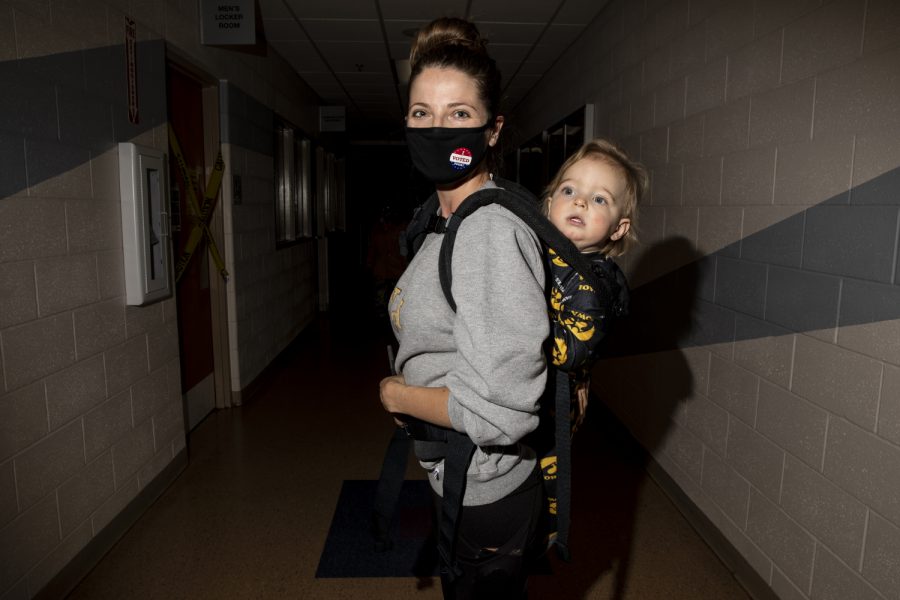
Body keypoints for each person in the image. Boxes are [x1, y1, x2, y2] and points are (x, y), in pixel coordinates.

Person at [379, 17, 547, 599]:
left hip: (487, 492)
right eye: (422, 113)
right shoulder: (442, 218)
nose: (436, 127)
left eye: (458, 114)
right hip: (458, 474)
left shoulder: (488, 230)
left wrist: (397, 395)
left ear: (492, 129)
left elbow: (504, 411)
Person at [542, 139, 646, 430]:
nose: (580, 201)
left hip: (551, 413)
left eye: (599, 199)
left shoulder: (593, 289)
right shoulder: (534, 248)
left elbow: (567, 353)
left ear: (618, 228)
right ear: (550, 206)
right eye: (569, 190)